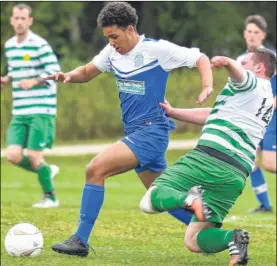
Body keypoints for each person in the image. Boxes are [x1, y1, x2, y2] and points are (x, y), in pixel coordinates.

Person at [48, 2, 213, 257]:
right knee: (160, 196)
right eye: (107, 37)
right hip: (137, 133)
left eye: (114, 36)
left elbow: (200, 58)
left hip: (151, 132)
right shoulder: (112, 52)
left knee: (94, 169)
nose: (111, 42)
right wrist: (68, 76)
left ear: (130, 29)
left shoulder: (157, 50)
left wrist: (206, 86)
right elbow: (87, 71)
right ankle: (209, 228)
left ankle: (80, 240)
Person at [140, 47, 276, 266]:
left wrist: (228, 62)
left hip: (209, 159)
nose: (242, 67)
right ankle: (232, 239)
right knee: (193, 240)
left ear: (259, 67)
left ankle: (189, 199)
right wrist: (174, 112)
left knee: (149, 199)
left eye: (246, 63)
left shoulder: (253, 83)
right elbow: (214, 114)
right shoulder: (266, 100)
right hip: (236, 174)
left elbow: (242, 77)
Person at [1, 3, 61, 208]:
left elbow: (55, 72)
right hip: (20, 111)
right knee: (12, 155)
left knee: (35, 156)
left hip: (41, 109)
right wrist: (7, 79)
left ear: (30, 21)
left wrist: (34, 81)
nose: (19, 22)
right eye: (16, 18)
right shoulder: (9, 45)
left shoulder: (40, 45)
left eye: (23, 18)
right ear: (11, 20)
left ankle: (50, 198)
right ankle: (46, 170)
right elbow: (16, 69)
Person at [237, 15, 276, 213]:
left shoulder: (271, 59)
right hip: (251, 119)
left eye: (256, 32)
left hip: (271, 118)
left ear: (263, 35)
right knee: (250, 162)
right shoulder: (240, 61)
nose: (252, 36)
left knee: (270, 164)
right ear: (245, 34)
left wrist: (269, 105)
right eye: (249, 31)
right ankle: (265, 205)